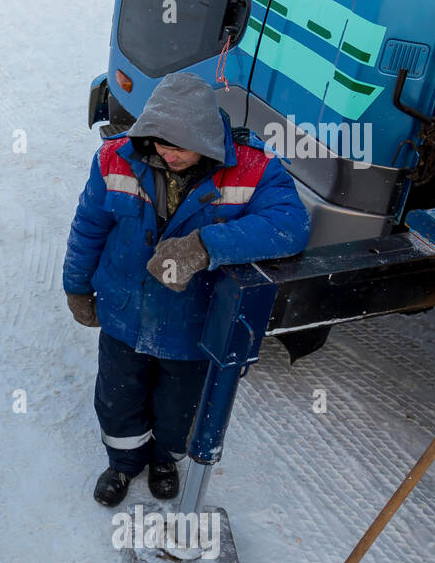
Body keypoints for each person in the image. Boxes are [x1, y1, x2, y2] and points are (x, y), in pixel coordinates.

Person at [63, 72, 310, 507]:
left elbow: (290, 227)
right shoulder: (114, 159)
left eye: (180, 146)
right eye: (159, 142)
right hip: (124, 312)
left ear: (207, 139)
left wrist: (204, 246)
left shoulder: (253, 168)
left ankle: (165, 459)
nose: (167, 154)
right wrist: (76, 286)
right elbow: (88, 227)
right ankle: (123, 463)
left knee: (180, 408)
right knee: (118, 400)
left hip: (193, 324)